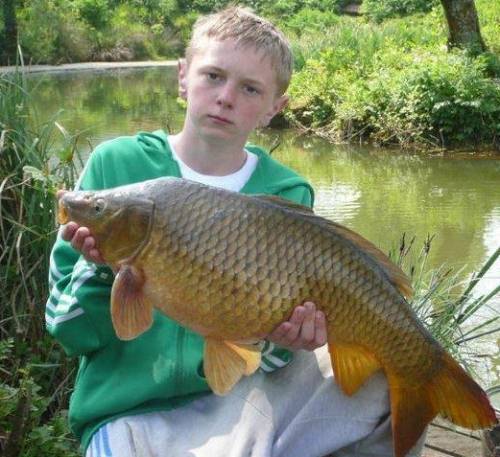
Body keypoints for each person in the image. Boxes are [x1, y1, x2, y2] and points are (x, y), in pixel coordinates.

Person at [46, 6, 425, 457]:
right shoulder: (117, 166)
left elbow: (269, 357)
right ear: (183, 77)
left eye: (249, 88)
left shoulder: (285, 191)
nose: (226, 97)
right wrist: (104, 270)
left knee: (384, 382)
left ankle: (424, 379)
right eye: (213, 76)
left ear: (275, 108)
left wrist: (286, 341)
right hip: (127, 415)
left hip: (240, 405)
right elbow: (67, 330)